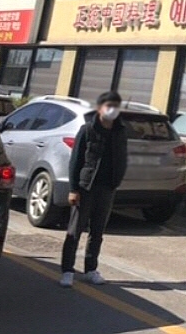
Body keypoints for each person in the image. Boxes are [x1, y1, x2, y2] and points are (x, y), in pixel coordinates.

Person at [60, 91, 128, 288]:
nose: (112, 110)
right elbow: (75, 160)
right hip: (86, 186)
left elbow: (122, 158)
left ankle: (91, 269)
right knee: (75, 231)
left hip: (107, 188)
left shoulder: (120, 132)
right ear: (100, 108)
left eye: (116, 106)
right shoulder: (88, 130)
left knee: (97, 232)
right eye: (109, 106)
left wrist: (117, 181)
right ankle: (67, 270)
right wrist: (74, 188)